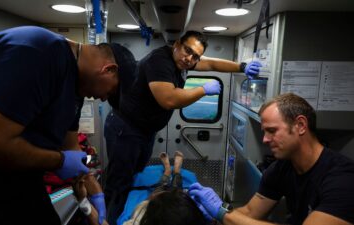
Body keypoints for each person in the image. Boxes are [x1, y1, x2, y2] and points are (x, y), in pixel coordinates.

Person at [103, 30, 262, 224]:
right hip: (126, 129)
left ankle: (122, 212)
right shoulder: (159, 61)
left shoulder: (184, 61)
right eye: (188, 51)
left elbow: (212, 63)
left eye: (196, 56)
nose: (190, 59)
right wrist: (203, 89)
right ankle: (110, 220)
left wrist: (242, 66)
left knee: (134, 176)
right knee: (118, 183)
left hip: (144, 131)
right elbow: (168, 99)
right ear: (177, 44)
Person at [0, 25, 130, 224]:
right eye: (110, 93)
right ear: (109, 69)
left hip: (15, 171)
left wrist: (94, 188)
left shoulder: (76, 89)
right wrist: (59, 161)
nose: (103, 98)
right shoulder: (38, 52)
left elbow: (70, 147)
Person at [189, 93, 354, 225]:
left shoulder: (343, 179)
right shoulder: (281, 168)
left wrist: (222, 213)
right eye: (264, 132)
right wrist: (214, 217)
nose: (265, 140)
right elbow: (249, 213)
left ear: (301, 126)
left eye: (272, 131)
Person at [74, 151, 206, 225]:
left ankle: (167, 172)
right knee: (176, 191)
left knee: (162, 189)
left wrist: (83, 200)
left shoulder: (140, 220)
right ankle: (175, 171)